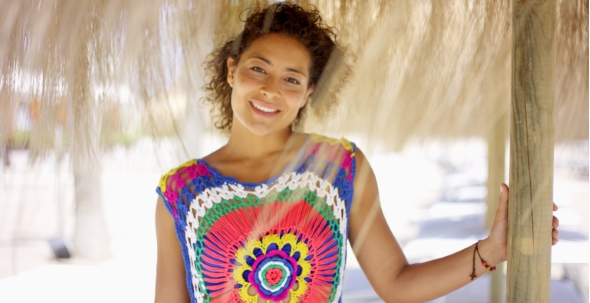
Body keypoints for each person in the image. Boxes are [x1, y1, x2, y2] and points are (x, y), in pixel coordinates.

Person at [154, 3, 560, 303]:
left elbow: (397, 284)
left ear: (308, 93)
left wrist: (490, 252)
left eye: (291, 78)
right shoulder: (182, 192)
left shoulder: (338, 169)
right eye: (258, 68)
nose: (271, 89)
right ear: (231, 71)